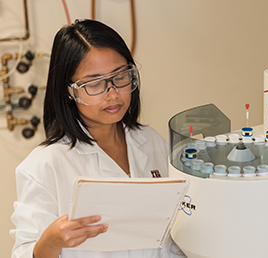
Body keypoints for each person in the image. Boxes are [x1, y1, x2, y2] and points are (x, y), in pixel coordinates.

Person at [10, 19, 186, 258]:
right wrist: (51, 241)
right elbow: (23, 253)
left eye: (120, 76)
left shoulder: (151, 141)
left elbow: (172, 234)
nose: (112, 94)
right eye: (94, 84)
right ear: (69, 91)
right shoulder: (44, 165)